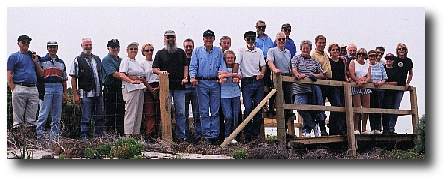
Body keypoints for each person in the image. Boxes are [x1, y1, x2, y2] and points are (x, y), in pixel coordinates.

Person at [189, 29, 226, 144]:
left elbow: (222, 66)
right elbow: (193, 66)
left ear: (214, 39)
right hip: (202, 83)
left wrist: (221, 76)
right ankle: (206, 135)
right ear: (203, 39)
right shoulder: (197, 51)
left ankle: (215, 135)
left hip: (215, 83)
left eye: (211, 37)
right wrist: (192, 77)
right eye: (206, 37)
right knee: (204, 110)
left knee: (215, 111)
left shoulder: (218, 51)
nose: (208, 39)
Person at [153, 30, 189, 142]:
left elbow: (185, 66)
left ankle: (181, 136)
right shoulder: (160, 53)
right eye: (168, 37)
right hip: (165, 88)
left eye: (172, 37)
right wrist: (161, 73)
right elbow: (154, 69)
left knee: (181, 112)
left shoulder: (181, 52)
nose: (170, 39)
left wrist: (185, 77)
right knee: (166, 111)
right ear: (164, 39)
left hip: (179, 87)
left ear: (175, 38)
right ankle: (167, 136)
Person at [70, 38, 105, 139]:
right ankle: (84, 138)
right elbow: (73, 78)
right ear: (82, 46)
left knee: (100, 117)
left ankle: (99, 138)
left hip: (98, 93)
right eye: (86, 45)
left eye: (90, 45)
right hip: (85, 94)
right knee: (85, 117)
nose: (88, 47)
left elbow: (100, 74)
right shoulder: (77, 60)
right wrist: (75, 95)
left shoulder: (97, 59)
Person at [234, 31, 266, 142]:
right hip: (246, 81)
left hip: (257, 81)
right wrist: (235, 76)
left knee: (258, 108)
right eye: (249, 39)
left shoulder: (259, 51)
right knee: (248, 108)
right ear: (245, 39)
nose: (251, 41)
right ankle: (247, 134)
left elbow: (263, 66)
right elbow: (237, 64)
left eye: (253, 39)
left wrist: (262, 73)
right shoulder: (241, 51)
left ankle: (255, 135)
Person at [7, 35, 43, 130]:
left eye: (28, 42)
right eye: (23, 42)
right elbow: (9, 73)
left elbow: (41, 74)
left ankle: (29, 141)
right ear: (18, 43)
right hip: (19, 87)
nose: (26, 44)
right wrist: (13, 88)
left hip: (33, 88)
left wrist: (36, 61)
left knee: (31, 120)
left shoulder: (33, 57)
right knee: (18, 120)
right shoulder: (13, 56)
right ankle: (17, 141)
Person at [291, 40, 325, 137]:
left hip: (312, 88)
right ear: (301, 49)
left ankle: (307, 130)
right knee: (300, 107)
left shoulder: (314, 61)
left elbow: (322, 74)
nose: (305, 50)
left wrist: (313, 75)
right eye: (304, 48)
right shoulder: (296, 58)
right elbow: (294, 69)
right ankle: (313, 125)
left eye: (307, 48)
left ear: (310, 49)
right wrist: (298, 75)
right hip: (299, 88)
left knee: (312, 109)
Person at [35, 41, 68, 142]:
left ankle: (54, 138)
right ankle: (39, 137)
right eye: (51, 47)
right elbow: (39, 75)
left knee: (57, 115)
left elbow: (64, 79)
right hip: (46, 87)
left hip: (58, 87)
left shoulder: (61, 62)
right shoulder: (42, 61)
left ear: (57, 48)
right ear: (47, 48)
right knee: (43, 113)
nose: (52, 49)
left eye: (54, 47)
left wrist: (65, 93)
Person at [267, 32, 294, 134]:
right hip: (277, 76)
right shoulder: (272, 50)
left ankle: (286, 129)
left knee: (288, 102)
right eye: (279, 39)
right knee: (275, 98)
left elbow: (290, 65)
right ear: (276, 41)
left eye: (283, 39)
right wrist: (275, 69)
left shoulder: (288, 52)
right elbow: (270, 62)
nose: (281, 41)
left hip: (287, 77)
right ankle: (271, 112)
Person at [384, 43, 414, 134]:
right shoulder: (395, 59)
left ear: (406, 50)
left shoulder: (409, 61)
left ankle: (391, 128)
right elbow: (387, 66)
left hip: (401, 87)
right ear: (397, 50)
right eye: (399, 48)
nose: (401, 50)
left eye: (403, 48)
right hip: (391, 86)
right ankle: (386, 129)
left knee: (396, 107)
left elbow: (411, 73)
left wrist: (407, 83)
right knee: (388, 107)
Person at [119, 42, 146, 137]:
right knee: (131, 112)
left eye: (135, 49)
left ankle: (135, 135)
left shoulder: (137, 62)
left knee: (138, 113)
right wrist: (131, 80)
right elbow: (121, 74)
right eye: (131, 49)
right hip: (130, 89)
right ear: (127, 50)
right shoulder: (125, 61)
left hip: (140, 88)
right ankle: (128, 135)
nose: (133, 50)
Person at [101, 39, 125, 135]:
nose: (115, 49)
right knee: (109, 113)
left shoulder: (121, 60)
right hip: (109, 89)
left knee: (120, 112)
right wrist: (129, 78)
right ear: (108, 48)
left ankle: (119, 134)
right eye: (112, 47)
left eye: (116, 47)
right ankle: (109, 135)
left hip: (120, 89)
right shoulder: (106, 59)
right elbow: (114, 74)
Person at [310, 34, 332, 136]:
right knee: (320, 106)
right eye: (320, 42)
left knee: (335, 105)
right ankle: (322, 129)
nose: (322, 44)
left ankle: (332, 127)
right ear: (316, 43)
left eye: (323, 43)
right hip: (319, 83)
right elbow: (312, 69)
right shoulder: (313, 54)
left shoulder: (325, 54)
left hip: (328, 82)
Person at [218, 50, 241, 142]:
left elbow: (240, 75)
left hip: (235, 94)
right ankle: (227, 136)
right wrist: (232, 75)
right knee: (228, 116)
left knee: (235, 116)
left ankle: (234, 136)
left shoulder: (237, 67)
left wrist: (228, 75)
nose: (230, 59)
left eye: (231, 58)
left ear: (234, 58)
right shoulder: (222, 66)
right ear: (225, 59)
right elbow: (220, 76)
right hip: (224, 95)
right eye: (228, 58)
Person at [348, 48, 372, 134]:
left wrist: (365, 81)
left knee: (366, 108)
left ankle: (364, 128)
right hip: (356, 85)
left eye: (363, 54)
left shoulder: (367, 63)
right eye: (359, 54)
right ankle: (356, 128)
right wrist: (358, 80)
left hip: (365, 86)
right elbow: (352, 73)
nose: (361, 56)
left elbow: (369, 75)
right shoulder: (353, 62)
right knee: (357, 108)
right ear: (357, 55)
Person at [140, 43, 160, 140]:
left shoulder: (157, 62)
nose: (149, 52)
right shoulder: (142, 64)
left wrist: (159, 87)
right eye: (147, 50)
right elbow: (143, 78)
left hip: (159, 86)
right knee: (149, 112)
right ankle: (149, 133)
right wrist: (150, 89)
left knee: (159, 111)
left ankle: (158, 133)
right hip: (148, 87)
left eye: (151, 50)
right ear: (143, 52)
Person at [255, 20, 275, 117]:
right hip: (258, 64)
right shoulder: (254, 39)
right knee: (261, 87)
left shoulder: (269, 39)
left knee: (270, 87)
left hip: (268, 63)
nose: (261, 29)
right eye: (259, 27)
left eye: (263, 27)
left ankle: (271, 108)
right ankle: (263, 106)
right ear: (256, 28)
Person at [183, 38, 201, 141]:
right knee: (184, 113)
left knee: (197, 113)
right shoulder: (181, 58)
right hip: (184, 88)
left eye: (190, 46)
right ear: (184, 47)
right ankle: (185, 135)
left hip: (195, 87)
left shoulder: (197, 57)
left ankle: (198, 135)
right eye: (187, 46)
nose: (188, 48)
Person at [327, 43, 347, 135]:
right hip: (333, 87)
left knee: (343, 107)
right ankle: (334, 129)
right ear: (330, 51)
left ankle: (340, 128)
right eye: (333, 50)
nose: (335, 51)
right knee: (337, 105)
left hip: (342, 86)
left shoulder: (342, 61)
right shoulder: (328, 61)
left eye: (337, 50)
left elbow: (344, 73)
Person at [368, 50, 388, 134]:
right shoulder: (367, 66)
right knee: (371, 108)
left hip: (380, 89)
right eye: (370, 56)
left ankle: (379, 128)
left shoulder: (381, 66)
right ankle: (373, 128)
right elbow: (365, 76)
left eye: (373, 56)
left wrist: (380, 83)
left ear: (376, 57)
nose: (372, 57)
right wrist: (372, 82)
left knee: (379, 108)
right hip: (370, 89)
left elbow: (385, 78)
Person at [382, 53, 399, 134]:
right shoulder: (382, 68)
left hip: (392, 93)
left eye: (391, 58)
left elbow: (396, 82)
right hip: (382, 93)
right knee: (383, 111)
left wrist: (385, 84)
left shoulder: (395, 70)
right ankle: (384, 130)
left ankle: (390, 129)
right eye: (387, 58)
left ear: (393, 60)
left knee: (392, 110)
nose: (388, 60)